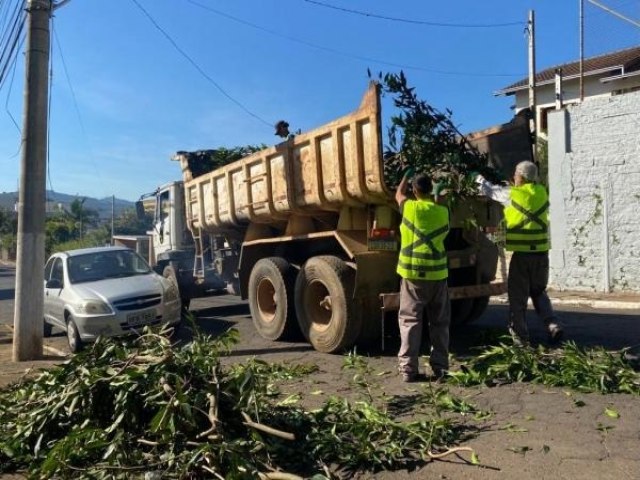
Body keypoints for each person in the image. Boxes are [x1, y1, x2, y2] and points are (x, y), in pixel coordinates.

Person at [475, 160, 564, 345]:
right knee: (539, 291)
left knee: (518, 298)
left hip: (522, 256)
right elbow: (523, 192)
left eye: (515, 174)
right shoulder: (541, 192)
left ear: (521, 177)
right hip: (541, 254)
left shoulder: (512, 195)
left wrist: (477, 178)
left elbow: (490, 191)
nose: (513, 176)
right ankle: (552, 324)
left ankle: (521, 339)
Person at [395, 170, 451, 382]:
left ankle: (408, 369)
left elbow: (398, 195)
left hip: (413, 275)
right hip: (438, 276)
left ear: (414, 190)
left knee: (410, 320)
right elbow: (443, 201)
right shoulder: (442, 212)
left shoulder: (410, 208)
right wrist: (439, 190)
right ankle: (441, 367)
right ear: (431, 190)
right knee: (439, 322)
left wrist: (404, 177)